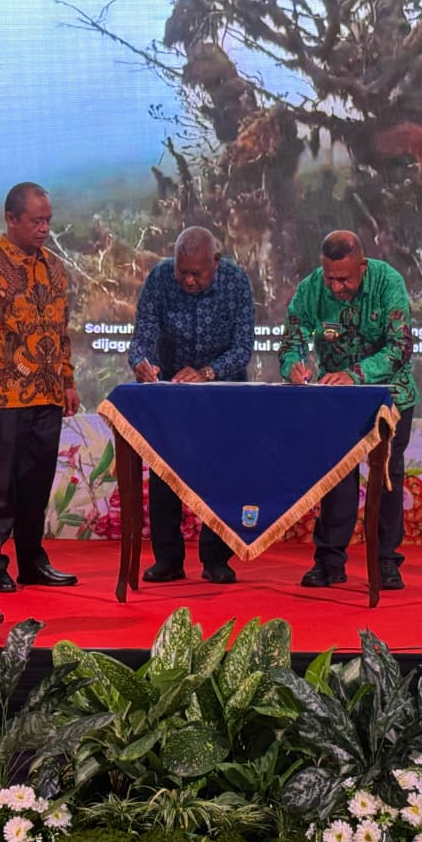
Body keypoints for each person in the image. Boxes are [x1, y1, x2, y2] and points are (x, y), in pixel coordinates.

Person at [278, 230, 417, 590]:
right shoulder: (311, 289)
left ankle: (386, 561)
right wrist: (294, 366)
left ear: (363, 266)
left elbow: (400, 346)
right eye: (331, 278)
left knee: (386, 478)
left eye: (345, 279)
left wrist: (355, 375)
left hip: (389, 397)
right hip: (335, 400)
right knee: (335, 479)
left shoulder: (388, 282)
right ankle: (329, 561)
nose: (337, 287)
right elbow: (292, 340)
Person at [0, 182, 79, 592]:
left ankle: (32, 561)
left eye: (48, 221)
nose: (44, 229)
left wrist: (68, 380)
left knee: (37, 482)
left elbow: (61, 332)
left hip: (47, 394)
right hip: (2, 397)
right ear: (11, 219)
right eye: (35, 221)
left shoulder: (55, 268)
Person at [128, 226, 255, 585]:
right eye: (182, 271)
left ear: (215, 262)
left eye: (196, 273)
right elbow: (142, 337)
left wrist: (207, 373)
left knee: (221, 476)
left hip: (223, 395)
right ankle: (168, 560)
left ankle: (216, 559)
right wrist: (143, 362)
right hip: (172, 396)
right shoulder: (159, 279)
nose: (187, 279)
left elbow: (243, 347)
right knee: (165, 475)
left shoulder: (236, 281)